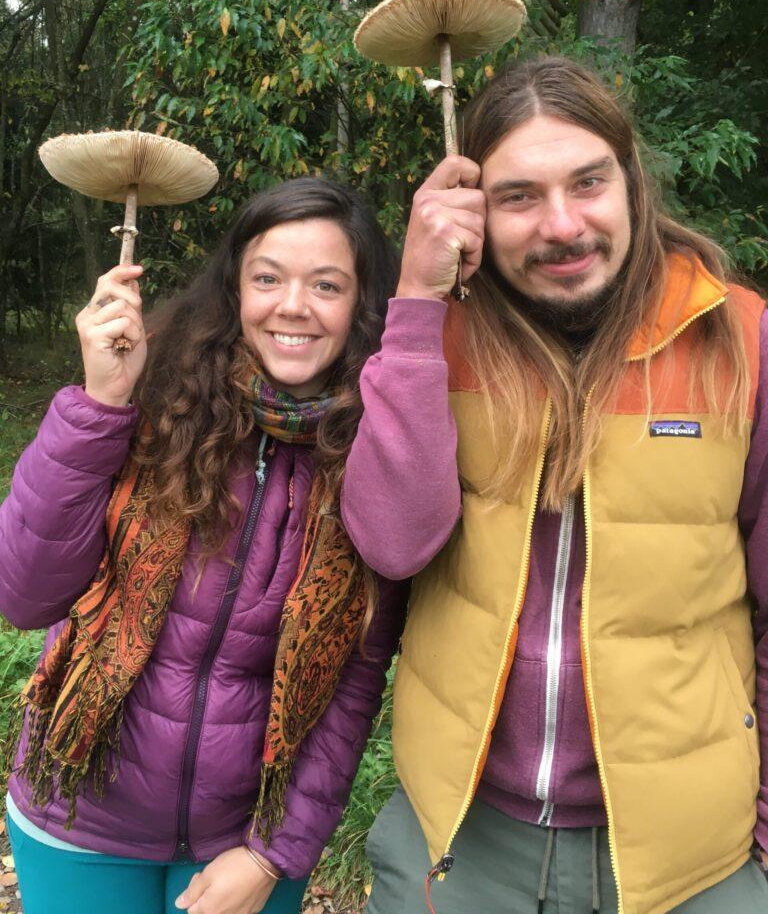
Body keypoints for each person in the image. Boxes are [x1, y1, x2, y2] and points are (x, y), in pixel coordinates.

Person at [341, 57, 768, 914]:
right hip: (462, 841)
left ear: (632, 180)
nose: (563, 225)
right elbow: (392, 544)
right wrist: (417, 301)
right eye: (519, 197)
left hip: (692, 856)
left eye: (588, 182)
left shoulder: (742, 342)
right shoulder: (437, 338)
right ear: (475, 211)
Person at [0, 177, 406, 914]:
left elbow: (354, 678)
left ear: (362, 303)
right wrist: (99, 404)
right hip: (78, 815)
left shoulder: (378, 455)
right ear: (235, 288)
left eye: (326, 285)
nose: (293, 305)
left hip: (242, 845)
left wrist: (274, 851)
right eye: (267, 278)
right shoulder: (152, 396)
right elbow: (24, 595)